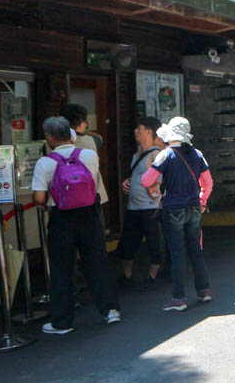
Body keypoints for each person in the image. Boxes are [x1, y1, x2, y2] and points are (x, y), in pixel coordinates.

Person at [32, 116, 121, 333]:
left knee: (62, 269)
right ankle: (110, 310)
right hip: (89, 215)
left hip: (62, 219)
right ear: (70, 134)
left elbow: (40, 198)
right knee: (97, 262)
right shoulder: (89, 156)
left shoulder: (45, 163)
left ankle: (62, 321)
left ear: (49, 137)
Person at [141, 117, 214, 311]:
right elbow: (208, 183)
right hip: (194, 208)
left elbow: (147, 181)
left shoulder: (165, 155)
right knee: (196, 251)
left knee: (178, 254)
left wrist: (151, 168)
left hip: (173, 209)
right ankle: (204, 290)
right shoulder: (197, 154)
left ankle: (178, 298)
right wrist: (202, 200)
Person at [117, 116, 165, 291]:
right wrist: (128, 181)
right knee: (127, 243)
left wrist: (156, 191)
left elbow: (161, 179)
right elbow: (137, 176)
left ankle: (152, 276)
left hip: (151, 207)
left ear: (149, 131)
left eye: (139, 128)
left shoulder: (157, 155)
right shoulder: (136, 155)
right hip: (133, 207)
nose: (135, 131)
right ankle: (127, 276)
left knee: (154, 243)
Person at [61, 102, 110, 212]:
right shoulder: (90, 140)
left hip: (64, 198)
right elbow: (99, 138)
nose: (87, 125)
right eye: (85, 121)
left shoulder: (53, 143)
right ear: (79, 123)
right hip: (89, 197)